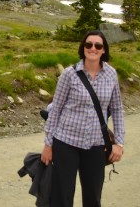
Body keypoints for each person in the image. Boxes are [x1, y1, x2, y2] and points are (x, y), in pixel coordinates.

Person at [41, 30, 125, 207]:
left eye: (98, 45)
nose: (93, 48)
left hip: (96, 144)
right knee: (62, 198)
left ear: (103, 50)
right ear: (83, 48)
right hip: (66, 143)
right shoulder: (69, 74)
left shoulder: (111, 74)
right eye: (88, 44)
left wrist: (119, 143)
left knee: (93, 197)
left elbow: (117, 109)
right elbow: (55, 110)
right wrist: (48, 145)